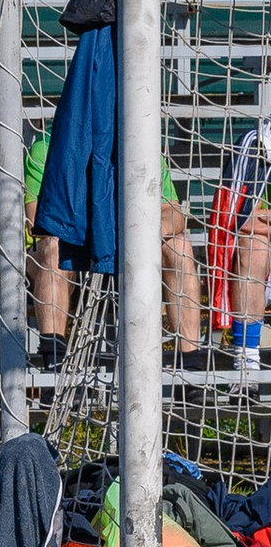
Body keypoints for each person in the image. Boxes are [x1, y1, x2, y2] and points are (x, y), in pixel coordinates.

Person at [26, 130, 199, 369]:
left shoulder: (141, 143)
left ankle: (191, 365)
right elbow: (37, 220)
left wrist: (140, 232)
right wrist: (103, 230)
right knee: (54, 248)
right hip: (66, 257)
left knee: (179, 246)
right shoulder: (47, 146)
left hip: (126, 253)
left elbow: (175, 214)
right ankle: (53, 362)